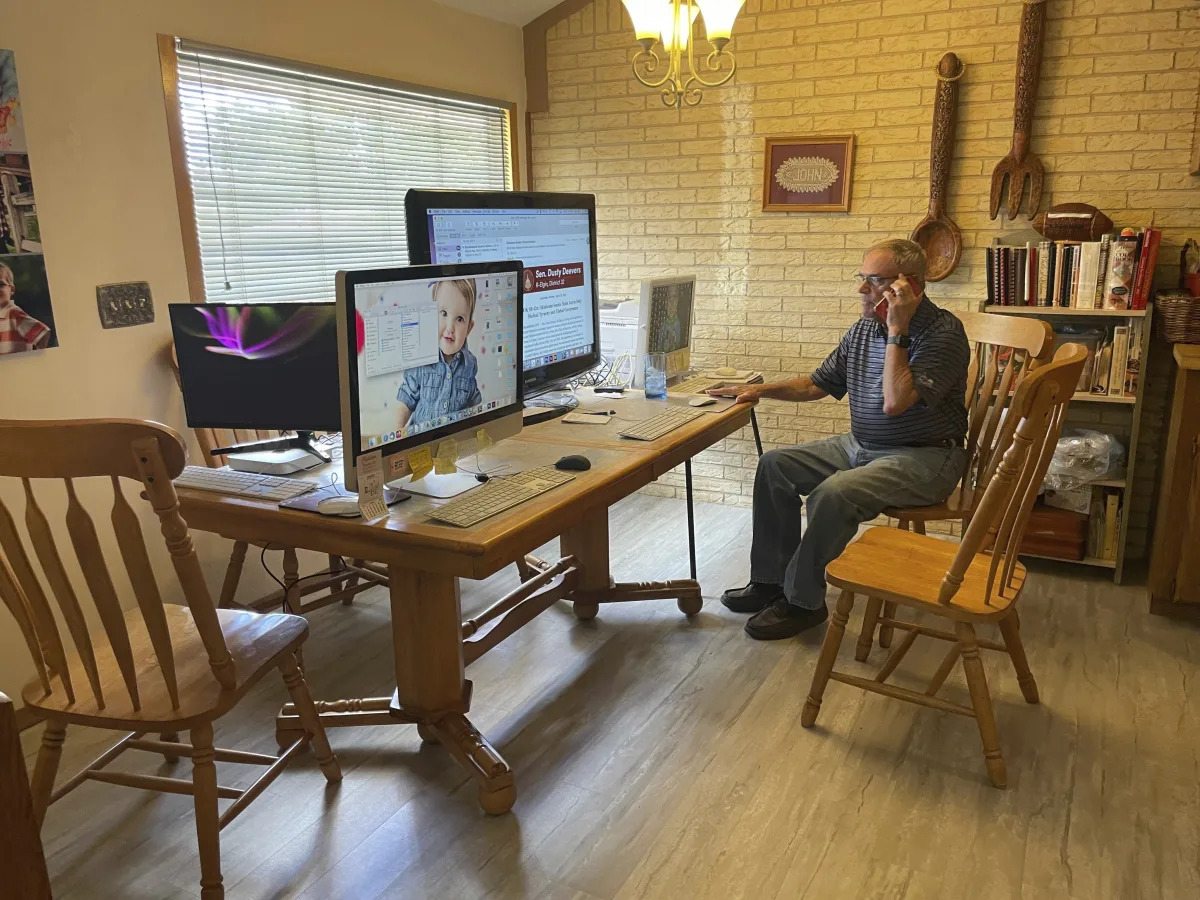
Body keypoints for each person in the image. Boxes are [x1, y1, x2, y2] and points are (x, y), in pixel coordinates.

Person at [715, 239, 970, 641]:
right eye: (862, 278)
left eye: (874, 281)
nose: (861, 290)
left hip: (926, 458)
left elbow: (895, 403)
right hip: (860, 446)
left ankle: (803, 602)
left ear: (912, 285)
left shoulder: (943, 333)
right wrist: (759, 391)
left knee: (834, 493)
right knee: (775, 465)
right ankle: (770, 581)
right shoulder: (862, 329)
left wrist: (897, 330)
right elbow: (817, 384)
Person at [395, 278, 482, 432]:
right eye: (443, 313)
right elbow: (406, 399)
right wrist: (396, 431)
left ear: (469, 328)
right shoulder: (421, 359)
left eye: (459, 319)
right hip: (420, 443)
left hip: (455, 442)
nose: (450, 327)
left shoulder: (470, 363)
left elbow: (474, 402)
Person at [0, 261, 51, 354]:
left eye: (0, 284)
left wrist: (36, 356)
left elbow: (43, 333)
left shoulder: (13, 313)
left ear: (11, 290)